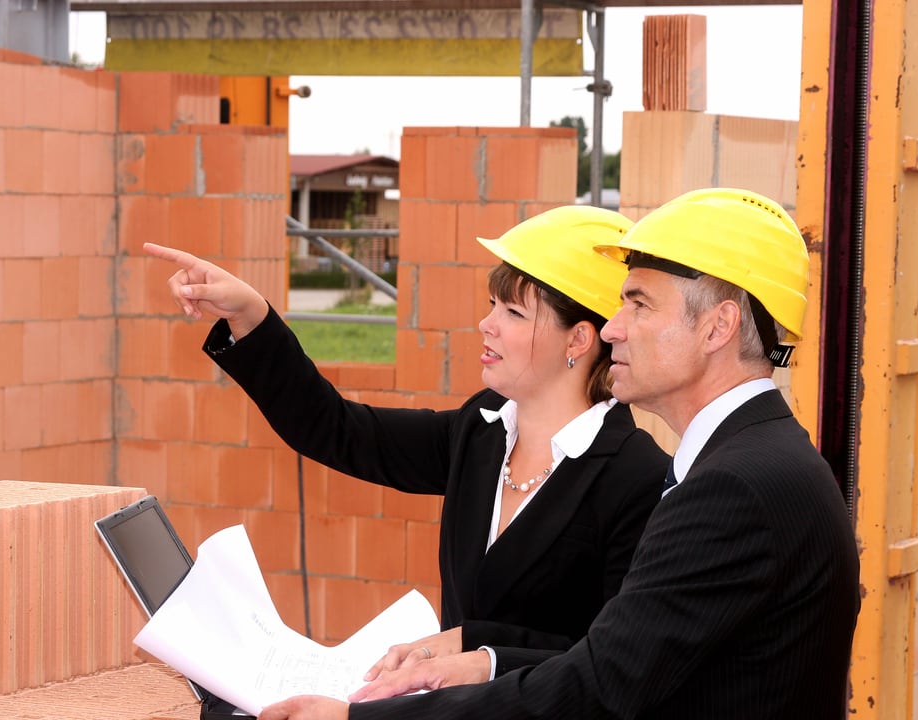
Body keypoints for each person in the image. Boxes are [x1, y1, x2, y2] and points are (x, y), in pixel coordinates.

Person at [255, 188, 861, 720]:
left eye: (640, 304)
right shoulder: (748, 461)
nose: (614, 328)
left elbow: (601, 684)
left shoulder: (733, 487)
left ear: (718, 327)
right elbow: (623, 665)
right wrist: (483, 658)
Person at [144, 205, 671, 686]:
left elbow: (615, 661)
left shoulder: (637, 478)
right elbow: (336, 429)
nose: (485, 325)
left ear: (578, 340)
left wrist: (475, 649)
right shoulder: (479, 432)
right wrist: (251, 316)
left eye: (512, 313)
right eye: (492, 305)